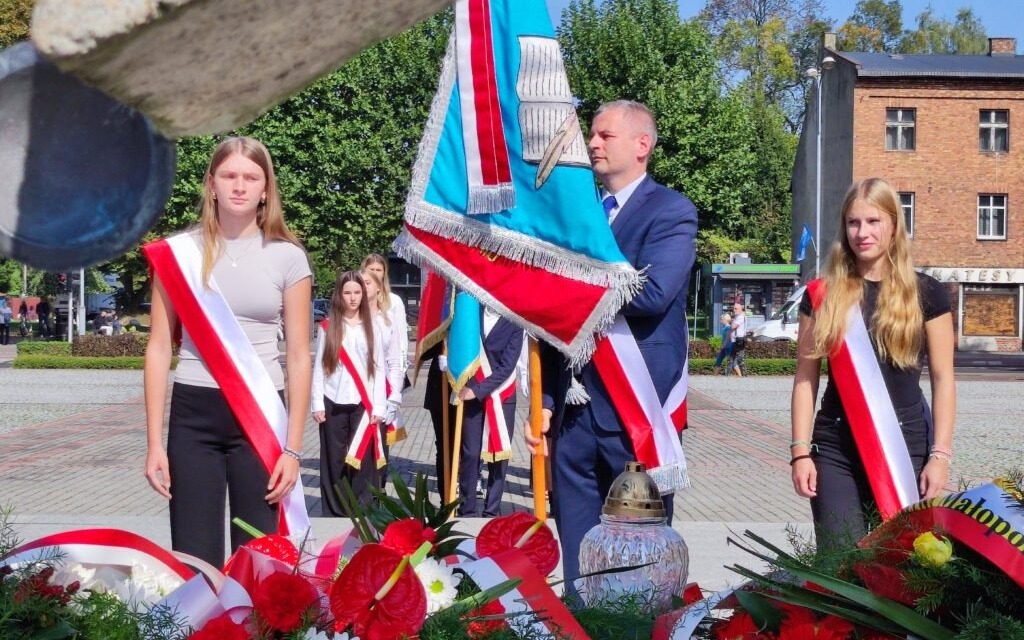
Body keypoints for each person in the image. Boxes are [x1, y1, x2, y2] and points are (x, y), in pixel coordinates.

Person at [526, 100, 698, 593]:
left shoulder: (670, 211)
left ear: (643, 145)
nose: (594, 144)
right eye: (592, 136)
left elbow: (653, 294)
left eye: (606, 135)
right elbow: (552, 316)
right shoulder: (579, 216)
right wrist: (545, 401)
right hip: (575, 412)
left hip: (635, 411)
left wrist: (574, 274)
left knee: (642, 560)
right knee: (580, 556)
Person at [143, 136, 312, 567]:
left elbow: (298, 357)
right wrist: (153, 444)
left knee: (259, 558)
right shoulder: (178, 255)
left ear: (266, 189)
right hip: (193, 414)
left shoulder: (288, 258)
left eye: (251, 177)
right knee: (193, 556)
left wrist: (293, 451)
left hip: (259, 417)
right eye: (229, 175)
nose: (240, 185)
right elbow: (160, 348)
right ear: (211, 184)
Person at [790, 178, 955, 553]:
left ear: (894, 225)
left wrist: (940, 456)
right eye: (853, 222)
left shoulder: (927, 292)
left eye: (873, 221)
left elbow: (944, 380)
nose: (862, 233)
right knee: (839, 563)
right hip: (835, 451)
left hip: (905, 446)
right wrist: (800, 452)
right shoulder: (822, 295)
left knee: (899, 566)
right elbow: (805, 379)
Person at [312, 271, 390, 516]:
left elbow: (378, 368)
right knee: (333, 458)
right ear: (339, 295)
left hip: (362, 401)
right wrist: (317, 403)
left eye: (357, 292)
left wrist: (379, 407)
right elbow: (319, 367)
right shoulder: (327, 327)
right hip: (332, 398)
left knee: (363, 459)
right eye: (348, 293)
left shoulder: (373, 327)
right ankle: (335, 510)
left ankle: (363, 509)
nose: (353, 297)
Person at [455, 307, 523, 517]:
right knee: (471, 453)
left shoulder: (515, 321)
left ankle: (492, 509)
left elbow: (507, 366)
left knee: (498, 455)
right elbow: (461, 347)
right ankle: (467, 508)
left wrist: (477, 391)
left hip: (501, 395)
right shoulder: (471, 313)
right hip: (471, 395)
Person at [360, 268, 405, 487]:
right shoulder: (350, 320)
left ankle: (378, 495)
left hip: (381, 392)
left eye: (368, 282)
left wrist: (395, 394)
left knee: (379, 448)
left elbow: (394, 361)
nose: (362, 286)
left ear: (379, 287)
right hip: (356, 391)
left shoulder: (387, 321)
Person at [361, 254, 409, 376]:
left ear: (384, 273)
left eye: (379, 270)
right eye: (371, 269)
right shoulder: (357, 298)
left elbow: (401, 339)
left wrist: (401, 371)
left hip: (387, 365)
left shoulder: (394, 301)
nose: (375, 273)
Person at [729, 302, 747, 377]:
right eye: (733, 308)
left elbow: (733, 326)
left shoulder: (741, 317)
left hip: (739, 340)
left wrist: (731, 322)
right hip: (735, 340)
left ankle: (743, 375)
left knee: (739, 359)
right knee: (733, 358)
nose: (734, 310)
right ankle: (739, 374)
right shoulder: (737, 317)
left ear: (740, 309)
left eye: (736, 308)